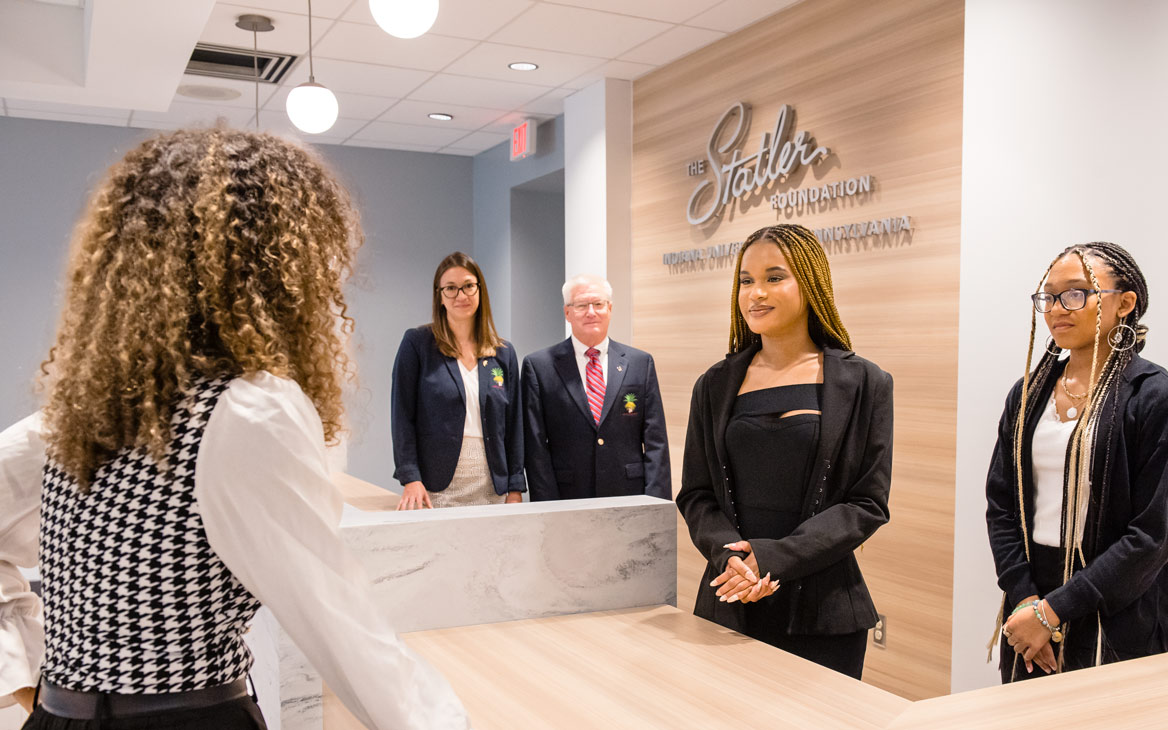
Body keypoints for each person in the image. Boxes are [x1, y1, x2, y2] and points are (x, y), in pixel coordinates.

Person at [0, 128, 468, 728]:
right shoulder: (248, 411)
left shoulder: (78, 416)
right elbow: (342, 629)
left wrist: (41, 677)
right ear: (276, 267)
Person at [675, 224, 893, 679]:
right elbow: (696, 495)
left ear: (811, 284)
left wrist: (772, 558)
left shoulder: (865, 383)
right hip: (731, 599)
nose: (756, 293)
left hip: (824, 613)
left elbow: (866, 503)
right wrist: (732, 558)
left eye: (774, 278)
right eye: (746, 280)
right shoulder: (714, 385)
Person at [986, 241, 1168, 682]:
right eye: (1048, 296)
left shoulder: (1157, 397)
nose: (1057, 308)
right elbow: (1002, 505)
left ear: (1125, 303)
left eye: (1076, 293)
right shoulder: (1027, 394)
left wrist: (1055, 612)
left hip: (1116, 607)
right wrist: (1026, 601)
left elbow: (1152, 536)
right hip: (1029, 599)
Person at [391, 252, 525, 509]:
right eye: (450, 288)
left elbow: (514, 426)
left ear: (480, 291)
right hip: (435, 487)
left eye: (468, 286)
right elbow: (402, 416)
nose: (461, 296)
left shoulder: (503, 352)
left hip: (492, 487)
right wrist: (411, 477)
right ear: (439, 296)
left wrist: (516, 486)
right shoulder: (417, 344)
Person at [521, 274, 671, 501]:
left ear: (609, 308)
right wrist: (546, 508)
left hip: (630, 495)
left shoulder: (640, 363)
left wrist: (656, 504)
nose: (591, 312)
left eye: (598, 304)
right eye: (581, 305)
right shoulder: (539, 367)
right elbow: (535, 448)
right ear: (567, 313)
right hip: (567, 498)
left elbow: (656, 442)